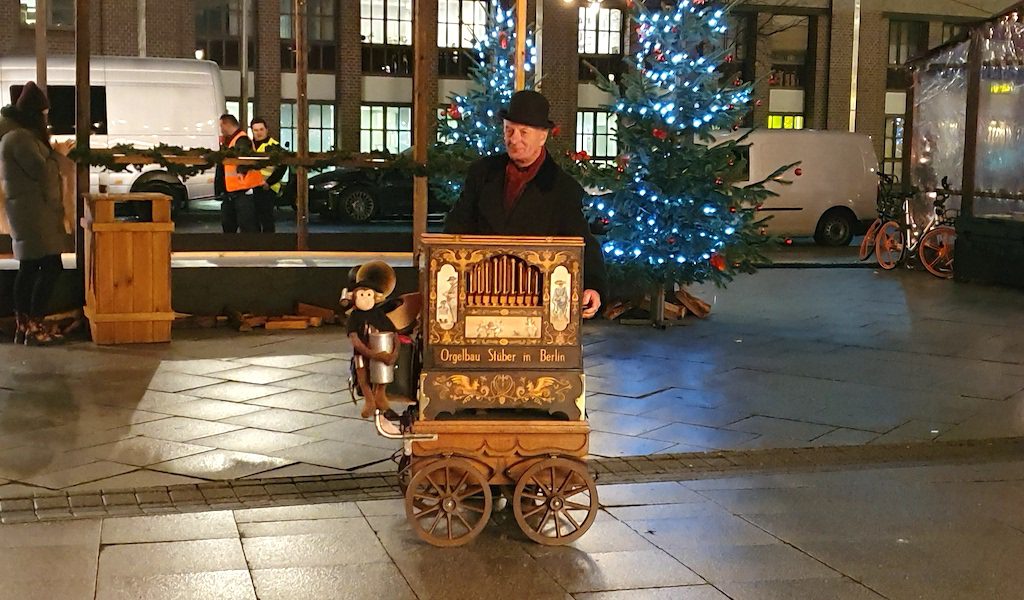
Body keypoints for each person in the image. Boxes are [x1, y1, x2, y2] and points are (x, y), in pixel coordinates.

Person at [444, 90, 607, 318]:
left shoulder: (563, 188)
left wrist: (592, 285)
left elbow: (581, 242)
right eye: (508, 130)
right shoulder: (481, 173)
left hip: (536, 301)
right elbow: (456, 226)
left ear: (543, 136)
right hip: (480, 294)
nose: (513, 139)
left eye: (523, 132)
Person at [0, 82, 74, 345]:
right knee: (48, 267)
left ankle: (26, 327)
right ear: (35, 114)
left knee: (31, 267)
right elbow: (40, 171)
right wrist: (58, 154)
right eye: (43, 114)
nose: (46, 118)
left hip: (32, 213)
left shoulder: (20, 137)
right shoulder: (20, 138)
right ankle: (32, 325)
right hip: (33, 214)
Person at [216, 114, 261, 233]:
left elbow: (244, 157)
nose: (220, 129)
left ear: (227, 124)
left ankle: (249, 249)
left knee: (246, 226)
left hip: (243, 190)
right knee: (230, 224)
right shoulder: (231, 141)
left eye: (221, 126)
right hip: (233, 191)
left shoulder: (241, 139)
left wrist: (242, 170)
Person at [250, 118, 288, 233]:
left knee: (266, 218)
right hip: (252, 186)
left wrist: (269, 183)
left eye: (261, 129)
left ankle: (269, 244)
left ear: (267, 130)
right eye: (255, 130)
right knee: (252, 219)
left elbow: (282, 166)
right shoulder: (249, 145)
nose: (259, 132)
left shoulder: (274, 146)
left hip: (267, 188)